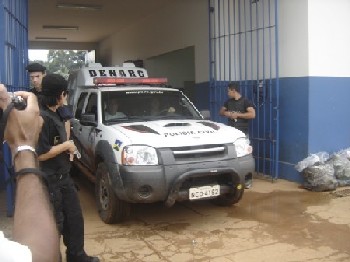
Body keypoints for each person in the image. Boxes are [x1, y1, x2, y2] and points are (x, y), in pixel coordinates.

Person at [36, 74, 99, 262]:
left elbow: (66, 126)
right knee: (56, 224)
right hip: (50, 181)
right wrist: (66, 146)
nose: (66, 97)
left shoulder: (57, 112)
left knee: (74, 220)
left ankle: (77, 256)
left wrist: (68, 144)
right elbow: (40, 154)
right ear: (60, 94)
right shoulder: (42, 119)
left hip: (64, 178)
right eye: (65, 94)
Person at [0, 84, 61, 261]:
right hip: (46, 178)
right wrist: (24, 144)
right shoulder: (42, 119)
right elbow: (40, 255)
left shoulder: (61, 115)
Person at [219, 82, 256, 188]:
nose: (227, 93)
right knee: (231, 156)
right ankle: (232, 179)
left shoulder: (245, 101)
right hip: (231, 135)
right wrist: (227, 113)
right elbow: (221, 112)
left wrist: (238, 115)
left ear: (233, 90)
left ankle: (247, 180)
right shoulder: (228, 102)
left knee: (244, 156)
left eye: (228, 91)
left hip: (242, 135)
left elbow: (252, 114)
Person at [26, 62, 73, 138]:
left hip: (56, 135)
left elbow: (66, 119)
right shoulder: (29, 95)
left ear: (44, 75)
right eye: (32, 77)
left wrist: (66, 141)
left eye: (37, 76)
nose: (34, 80)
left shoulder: (55, 93)